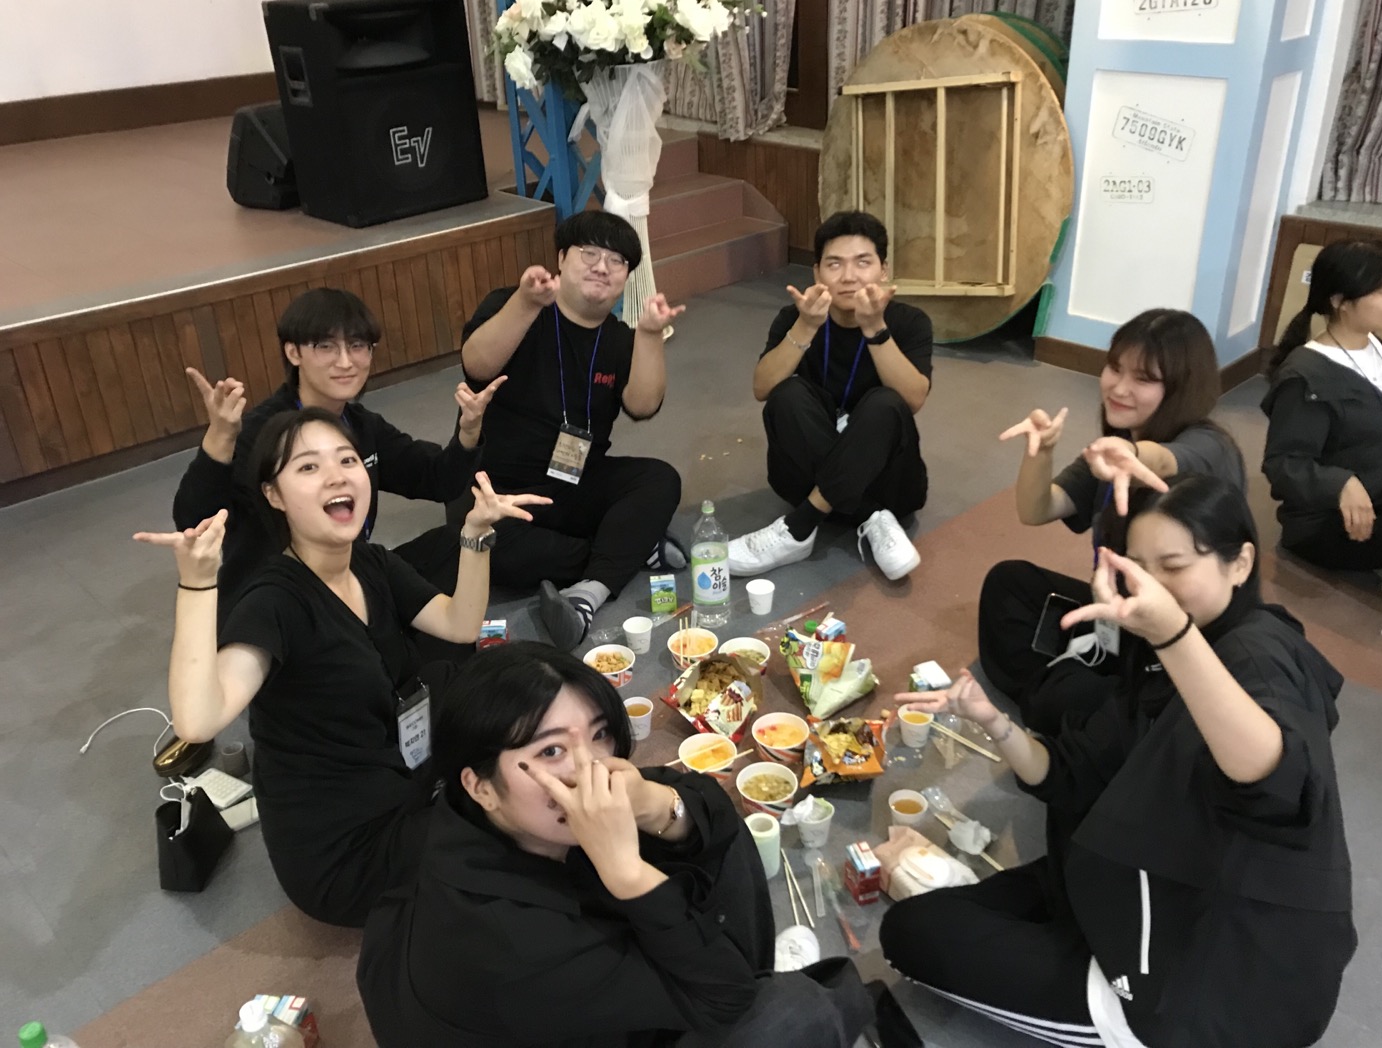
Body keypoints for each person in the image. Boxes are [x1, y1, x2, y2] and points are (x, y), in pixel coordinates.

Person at [882, 475, 1354, 1048]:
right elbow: (1068, 773)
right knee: (928, 914)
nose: (1150, 588)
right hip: (1130, 881)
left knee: (909, 935)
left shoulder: (1260, 650)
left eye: (1174, 565)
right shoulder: (1155, 657)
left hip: (1200, 992)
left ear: (1240, 563)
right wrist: (994, 721)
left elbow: (1275, 782)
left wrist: (1172, 634)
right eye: (1138, 567)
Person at [136, 408, 548, 927]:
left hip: (397, 772)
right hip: (346, 847)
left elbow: (461, 623)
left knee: (513, 681)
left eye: (347, 460)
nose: (336, 476)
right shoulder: (273, 601)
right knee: (522, 832)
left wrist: (475, 533)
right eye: (308, 467)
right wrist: (197, 583)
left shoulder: (370, 562)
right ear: (274, 495)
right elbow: (198, 721)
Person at [356, 641, 876, 1048]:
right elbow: (729, 999)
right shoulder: (510, 944)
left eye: (600, 733)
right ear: (480, 785)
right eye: (552, 750)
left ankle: (734, 956)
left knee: (689, 826)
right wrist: (626, 871)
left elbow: (707, 812)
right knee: (793, 1014)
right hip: (530, 1001)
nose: (592, 769)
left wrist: (656, 805)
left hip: (558, 1004)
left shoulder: (488, 815)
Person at [978, 309, 1245, 735]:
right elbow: (1036, 510)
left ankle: (1085, 709)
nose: (1119, 388)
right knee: (1009, 584)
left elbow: (1169, 460)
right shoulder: (1116, 446)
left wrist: (1136, 456)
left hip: (1178, 641)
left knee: (1078, 699)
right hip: (1120, 616)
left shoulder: (1209, 447)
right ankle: (1081, 705)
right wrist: (1041, 451)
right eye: (1115, 368)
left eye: (1143, 378)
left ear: (1182, 387)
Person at [173, 287, 496, 606]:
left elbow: (438, 480)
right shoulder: (262, 432)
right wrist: (220, 438)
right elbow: (194, 521)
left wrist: (468, 431)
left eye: (357, 345)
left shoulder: (361, 425)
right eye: (326, 346)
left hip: (347, 572)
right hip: (281, 595)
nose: (345, 362)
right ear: (293, 353)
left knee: (455, 545)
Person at [457, 211, 685, 650]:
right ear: (561, 258)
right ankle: (627, 549)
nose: (602, 267)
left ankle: (589, 592)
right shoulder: (514, 304)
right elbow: (477, 366)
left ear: (626, 277)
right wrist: (527, 303)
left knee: (659, 479)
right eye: (589, 253)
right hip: (497, 488)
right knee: (492, 549)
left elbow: (643, 406)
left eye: (617, 261)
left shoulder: (617, 338)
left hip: (576, 481)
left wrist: (649, 335)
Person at [729, 211, 932, 582]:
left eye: (863, 262)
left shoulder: (910, 322)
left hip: (889, 484)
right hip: (805, 479)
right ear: (817, 273)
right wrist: (806, 326)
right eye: (834, 264)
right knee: (787, 393)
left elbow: (914, 399)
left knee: (886, 403)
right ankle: (871, 516)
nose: (849, 276)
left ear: (883, 270)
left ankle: (799, 526)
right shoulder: (796, 317)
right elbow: (762, 388)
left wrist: (875, 329)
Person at [1261, 238, 1382, 628]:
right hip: (1329, 523)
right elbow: (1284, 463)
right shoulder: (1306, 375)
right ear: (1341, 300)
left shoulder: (1380, 349)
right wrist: (1339, 484)